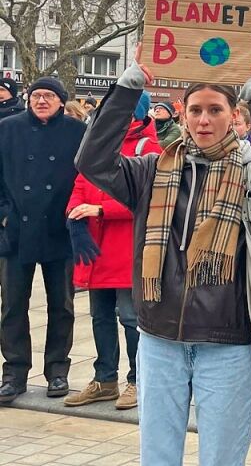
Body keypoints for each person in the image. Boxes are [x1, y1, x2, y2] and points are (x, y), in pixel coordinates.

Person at [74, 55, 251, 464]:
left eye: (216, 110)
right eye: (195, 110)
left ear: (233, 116)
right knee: (158, 456)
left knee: (222, 458)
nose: (204, 120)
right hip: (159, 339)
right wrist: (129, 86)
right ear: (182, 112)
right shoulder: (150, 171)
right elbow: (92, 160)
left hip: (225, 344)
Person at [62, 92, 163, 411]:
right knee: (100, 316)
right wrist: (74, 210)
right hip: (95, 247)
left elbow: (148, 198)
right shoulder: (98, 145)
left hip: (126, 247)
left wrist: (101, 209)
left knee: (130, 317)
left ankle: (137, 380)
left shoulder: (149, 149)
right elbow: (79, 184)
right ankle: (105, 379)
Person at [0, 77, 86, 405]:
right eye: (36, 95)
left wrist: (74, 212)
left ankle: (57, 371)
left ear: (62, 101)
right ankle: (14, 373)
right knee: (12, 306)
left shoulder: (76, 132)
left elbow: (86, 175)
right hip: (16, 230)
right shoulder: (7, 128)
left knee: (61, 305)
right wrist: (4, 214)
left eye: (49, 96)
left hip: (59, 228)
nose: (41, 101)